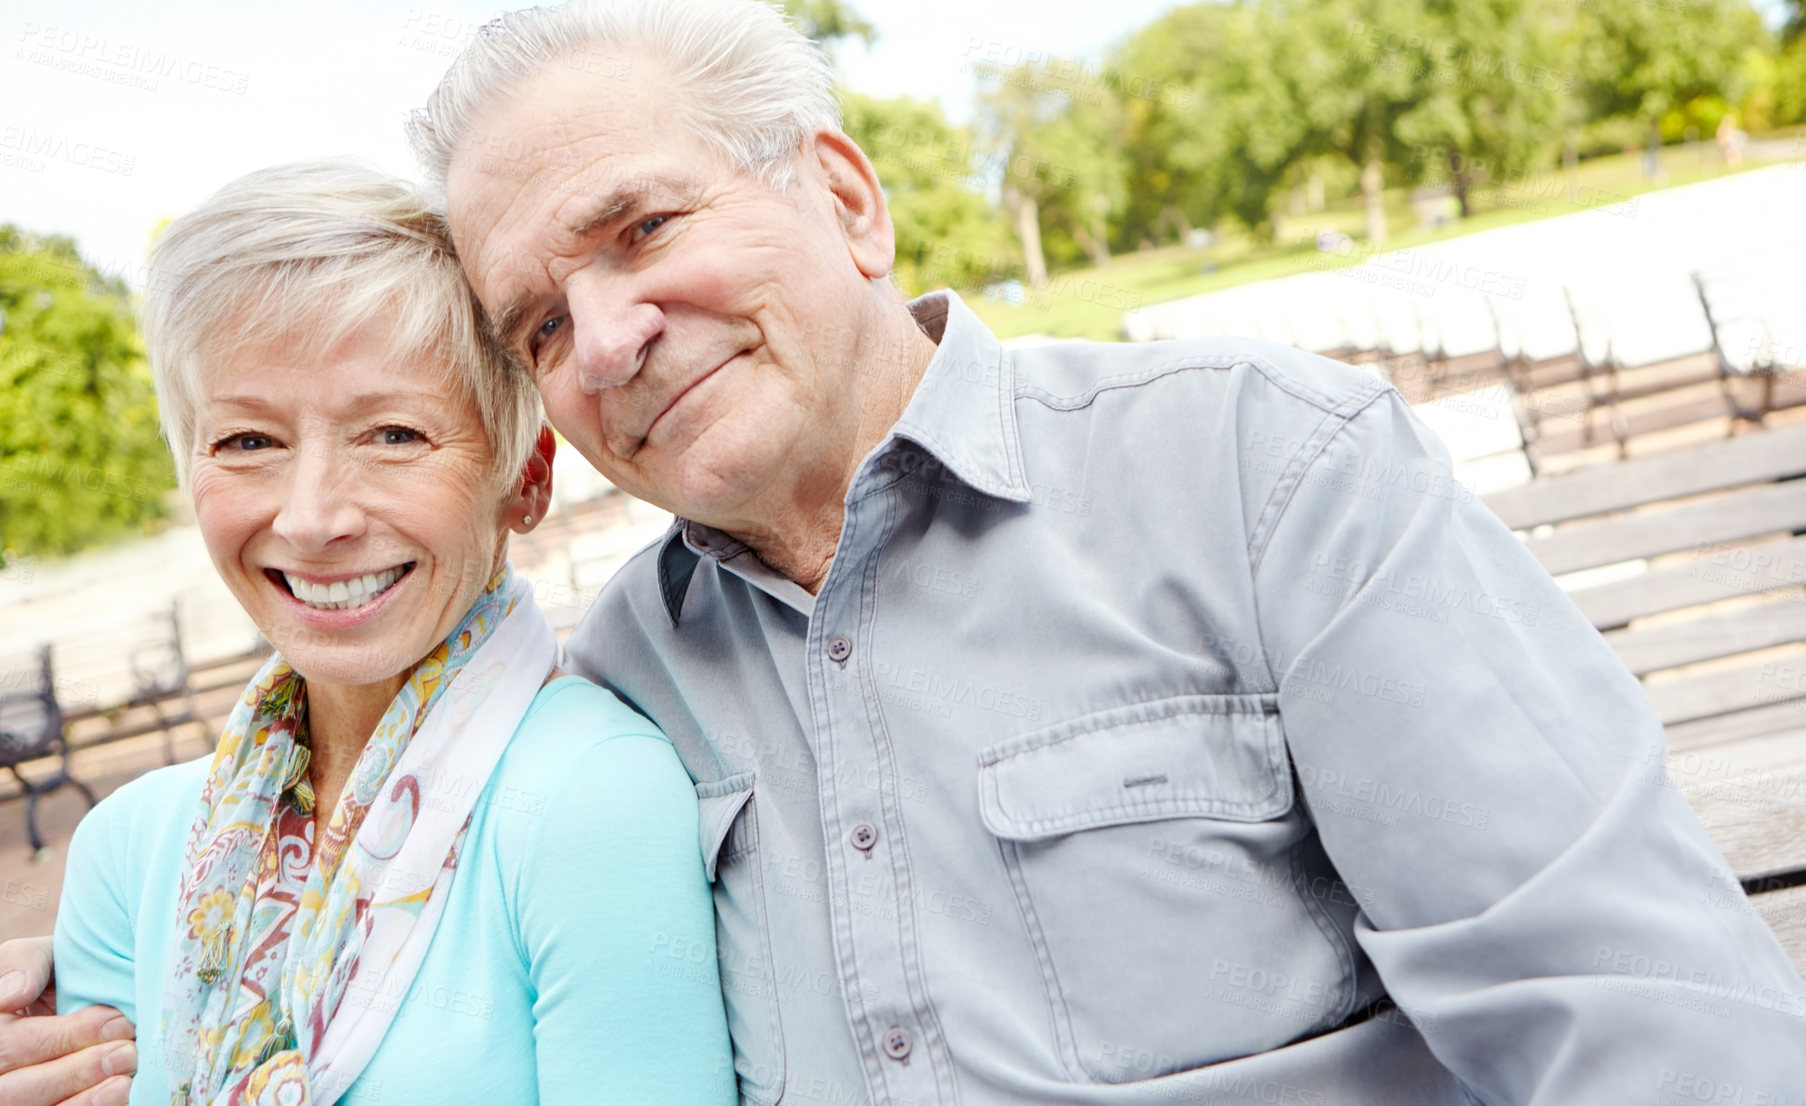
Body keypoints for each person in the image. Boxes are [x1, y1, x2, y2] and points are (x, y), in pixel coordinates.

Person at [7, 1, 1806, 1103]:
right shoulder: (609, 687)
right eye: (541, 320)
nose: (613, 332)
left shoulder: (1256, 474)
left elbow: (1635, 1026)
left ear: (845, 198)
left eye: (646, 229)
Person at [9, 159, 737, 1106]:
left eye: (393, 434)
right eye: (247, 441)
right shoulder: (131, 850)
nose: (312, 518)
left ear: (526, 476)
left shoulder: (587, 796)